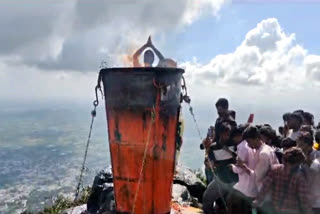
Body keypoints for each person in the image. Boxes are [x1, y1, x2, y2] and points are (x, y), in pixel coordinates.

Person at [253, 147, 313, 214]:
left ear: (283, 159)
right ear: (299, 163)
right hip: (292, 210)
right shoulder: (300, 177)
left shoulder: (275, 169)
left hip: (275, 208)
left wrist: (258, 201)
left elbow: (265, 187)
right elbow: (304, 199)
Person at [227, 125, 257, 214]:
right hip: (253, 184)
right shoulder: (251, 145)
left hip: (244, 186)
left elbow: (240, 169)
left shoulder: (241, 146)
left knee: (232, 204)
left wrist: (232, 167)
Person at [296, 132, 320, 213]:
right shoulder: (298, 156)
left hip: (317, 202)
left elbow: (316, 169)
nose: (298, 147)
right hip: (303, 201)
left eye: (300, 144)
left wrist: (307, 160)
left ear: (308, 144)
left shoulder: (318, 154)